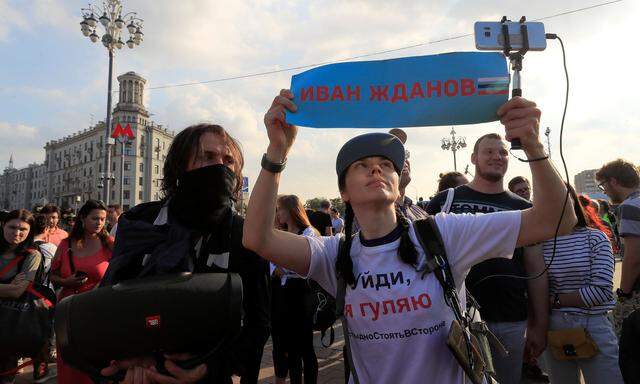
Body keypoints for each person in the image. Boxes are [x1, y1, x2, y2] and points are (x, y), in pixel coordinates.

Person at [243, 90, 576, 383]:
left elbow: (555, 219)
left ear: (397, 181)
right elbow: (257, 238)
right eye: (362, 165)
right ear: (343, 192)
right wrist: (276, 153)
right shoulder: (334, 255)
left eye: (385, 164)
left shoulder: (444, 233)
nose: (376, 169)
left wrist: (533, 145)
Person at [100, 123, 270, 384]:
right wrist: (126, 360)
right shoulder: (141, 221)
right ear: (181, 166)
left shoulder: (245, 234)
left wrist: (211, 368)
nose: (221, 166)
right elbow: (110, 301)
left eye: (228, 160)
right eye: (208, 157)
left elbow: (258, 322)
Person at [425, 133, 549, 384]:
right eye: (489, 152)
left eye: (502, 152)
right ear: (474, 158)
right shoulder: (446, 201)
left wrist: (539, 323)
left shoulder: (524, 208)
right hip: (454, 318)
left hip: (510, 317)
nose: (497, 157)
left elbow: (536, 267)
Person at [541, 185, 623, 383]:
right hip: (553, 328)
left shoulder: (595, 237)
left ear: (573, 202)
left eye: (562, 199)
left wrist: (553, 301)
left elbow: (601, 292)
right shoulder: (538, 241)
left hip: (593, 325)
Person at [49, 199, 113, 384]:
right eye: (95, 218)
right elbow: (52, 275)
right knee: (70, 363)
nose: (99, 223)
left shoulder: (110, 244)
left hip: (98, 309)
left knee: (96, 361)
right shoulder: (66, 244)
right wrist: (66, 281)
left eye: (102, 219)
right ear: (82, 218)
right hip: (69, 310)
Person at [595, 159, 640, 382]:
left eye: (603, 186)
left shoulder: (630, 206)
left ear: (613, 181)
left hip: (638, 295)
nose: (604, 192)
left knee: (631, 353)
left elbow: (633, 258)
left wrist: (623, 293)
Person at [273, 194, 319, 384]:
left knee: (305, 346)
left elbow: (302, 264)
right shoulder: (279, 233)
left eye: (280, 209)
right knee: (289, 347)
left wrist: (283, 265)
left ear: (291, 210)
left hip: (302, 295)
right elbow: (274, 265)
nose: (277, 214)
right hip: (283, 295)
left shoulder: (309, 232)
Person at [0, 209, 42, 384]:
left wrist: (12, 288)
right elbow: (13, 288)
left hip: (9, 327)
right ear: (3, 225)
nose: (16, 233)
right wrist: (9, 286)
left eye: (23, 229)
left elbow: (17, 291)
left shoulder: (32, 256)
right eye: (12, 227)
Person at [389, 128, 428, 222]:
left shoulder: (418, 212)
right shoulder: (370, 215)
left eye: (404, 154)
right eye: (395, 155)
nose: (403, 160)